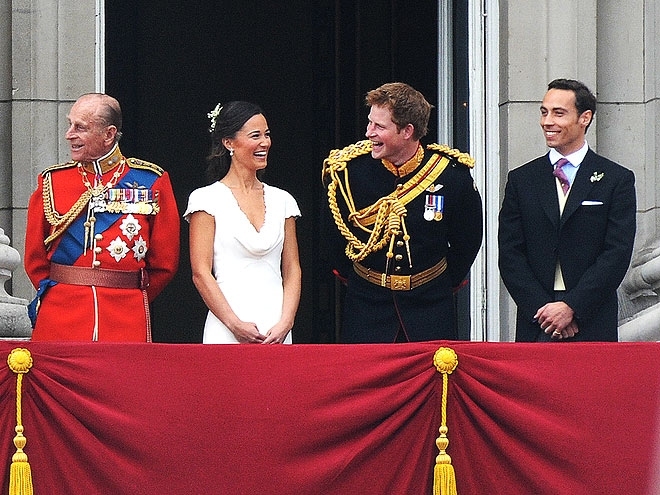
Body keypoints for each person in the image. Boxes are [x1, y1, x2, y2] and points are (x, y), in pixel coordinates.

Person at [322, 82, 483, 343]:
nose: (368, 132)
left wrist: (435, 283)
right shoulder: (350, 173)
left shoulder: (452, 176)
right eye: (370, 123)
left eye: (379, 127)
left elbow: (468, 241)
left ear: (407, 131)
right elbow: (333, 239)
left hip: (430, 309)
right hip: (367, 308)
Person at [24, 93, 180, 341]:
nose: (69, 134)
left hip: (125, 317)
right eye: (70, 124)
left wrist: (129, 295)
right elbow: (34, 259)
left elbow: (164, 263)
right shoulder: (52, 181)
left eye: (80, 128)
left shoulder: (151, 181)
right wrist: (60, 293)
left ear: (109, 134)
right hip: (61, 316)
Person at [498, 78, 636, 342]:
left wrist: (573, 307)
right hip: (537, 318)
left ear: (585, 118)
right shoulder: (522, 179)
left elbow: (616, 253)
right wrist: (544, 312)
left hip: (591, 317)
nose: (547, 121)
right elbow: (510, 253)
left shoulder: (615, 179)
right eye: (544, 112)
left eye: (558, 113)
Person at [184, 101, 301, 344]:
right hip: (226, 327)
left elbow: (292, 269)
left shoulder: (283, 200)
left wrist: (286, 322)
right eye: (255, 136)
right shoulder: (205, 200)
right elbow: (201, 273)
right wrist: (234, 324)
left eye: (267, 135)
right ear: (229, 143)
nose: (264, 143)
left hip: (276, 329)